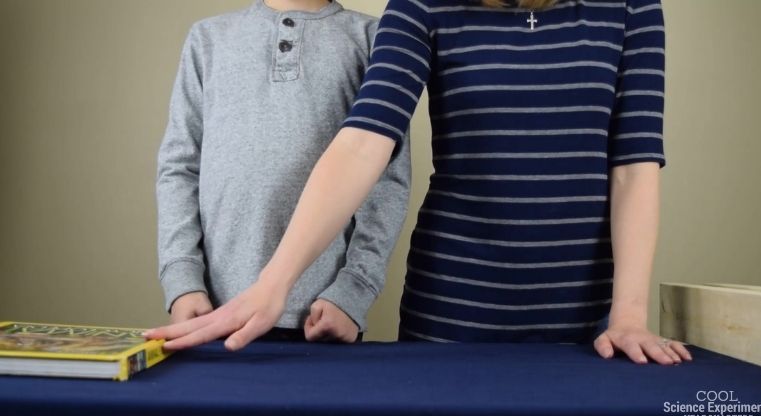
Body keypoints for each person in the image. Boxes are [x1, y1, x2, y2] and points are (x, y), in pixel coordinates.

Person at [147, 0, 692, 364]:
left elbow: (634, 164)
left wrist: (629, 315)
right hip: (448, 316)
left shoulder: (631, 7)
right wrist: (274, 285)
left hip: (584, 322)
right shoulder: (420, 4)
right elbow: (365, 142)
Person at [154, 0, 410, 343]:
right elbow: (179, 167)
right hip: (211, 310)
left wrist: (352, 293)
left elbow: (387, 184)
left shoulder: (374, 38)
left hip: (321, 316)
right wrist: (183, 280)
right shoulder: (207, 38)